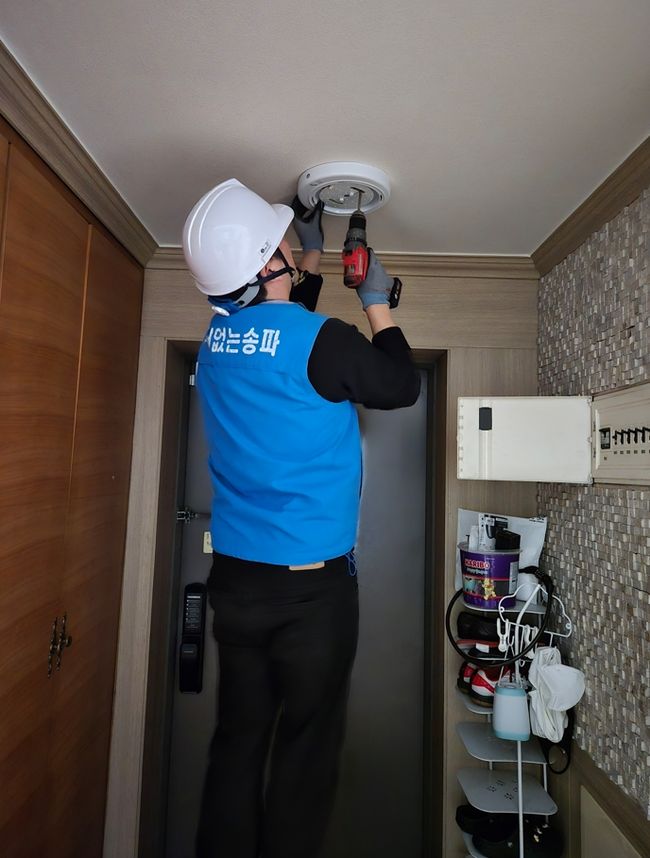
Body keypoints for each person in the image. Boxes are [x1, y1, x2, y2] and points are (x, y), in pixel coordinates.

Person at [182, 179, 420, 858]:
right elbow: (400, 385)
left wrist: (308, 260)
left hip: (237, 583)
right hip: (310, 593)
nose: (290, 241)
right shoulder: (322, 342)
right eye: (281, 240)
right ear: (266, 263)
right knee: (304, 752)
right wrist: (375, 300)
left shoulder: (214, 344)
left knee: (238, 742)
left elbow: (278, 335)